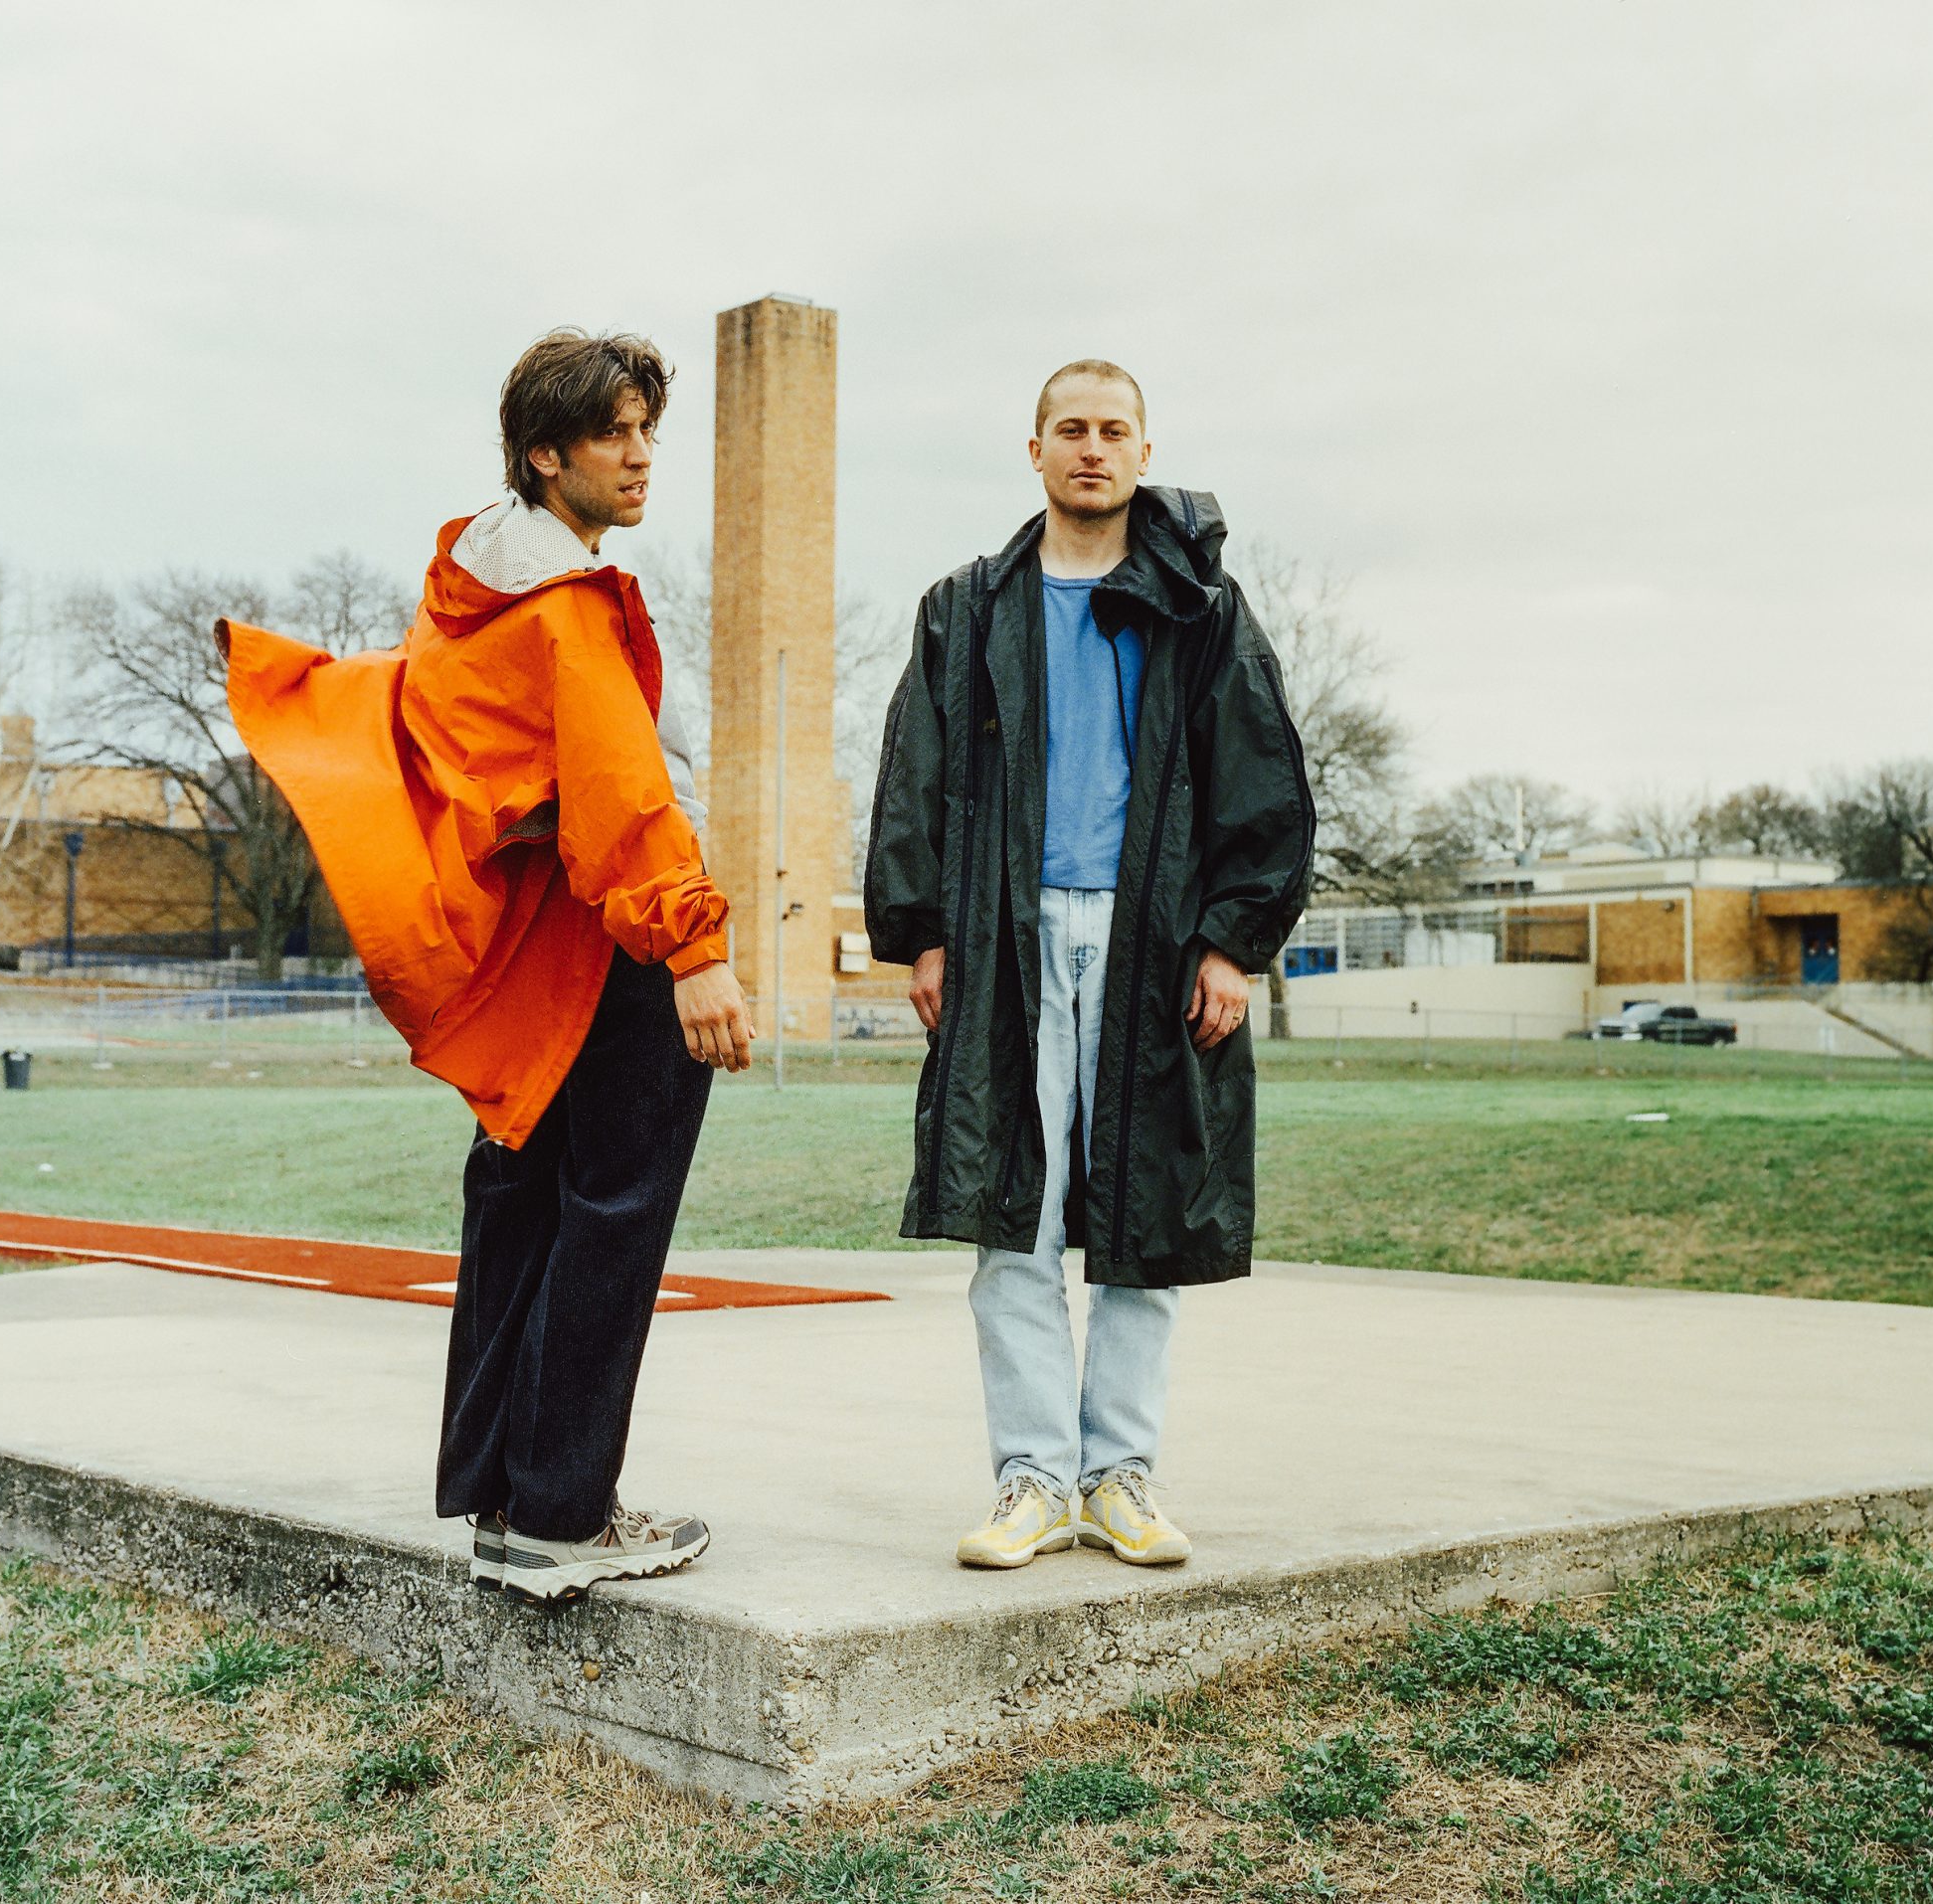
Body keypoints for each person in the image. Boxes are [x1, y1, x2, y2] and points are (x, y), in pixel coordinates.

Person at [220, 329, 754, 1604]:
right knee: (612, 1213)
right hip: (608, 949)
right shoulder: (563, 605)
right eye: (614, 435)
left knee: (520, 1207)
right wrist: (695, 949)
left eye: (648, 434)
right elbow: (623, 792)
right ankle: (565, 1514)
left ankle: (510, 1493)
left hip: (535, 958)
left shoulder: (466, 585)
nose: (640, 459)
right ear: (543, 453)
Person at [864, 359, 1314, 1570]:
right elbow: (914, 774)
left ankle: (1119, 1473)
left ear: (1142, 450)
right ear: (1035, 450)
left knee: (1142, 1207)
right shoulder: (967, 607)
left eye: (1115, 430)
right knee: (1012, 1206)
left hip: (1150, 940)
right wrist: (921, 933)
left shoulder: (1200, 607)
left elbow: (1262, 780)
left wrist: (1231, 941)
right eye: (1071, 428)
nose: (1092, 449)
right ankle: (1030, 1479)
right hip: (1005, 937)